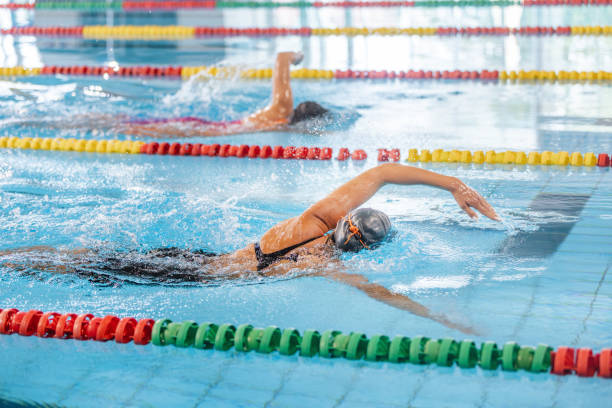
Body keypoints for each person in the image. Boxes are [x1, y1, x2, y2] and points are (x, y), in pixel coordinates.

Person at [0, 164, 498, 334]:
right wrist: (438, 318)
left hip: (193, 258)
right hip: (191, 276)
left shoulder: (315, 220)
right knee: (82, 263)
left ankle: (11, 254)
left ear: (347, 223)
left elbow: (382, 174)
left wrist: (452, 183)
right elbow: (382, 295)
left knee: (86, 257)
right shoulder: (327, 266)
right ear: (362, 248)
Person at [117, 51, 328, 138]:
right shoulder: (282, 109)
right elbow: (282, 56)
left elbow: (282, 59)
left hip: (207, 124)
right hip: (210, 129)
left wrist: (295, 57)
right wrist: (295, 55)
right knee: (130, 128)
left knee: (128, 124)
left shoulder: (280, 115)